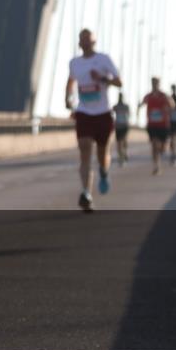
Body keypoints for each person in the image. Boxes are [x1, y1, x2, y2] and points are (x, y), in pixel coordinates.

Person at [65, 28, 122, 213]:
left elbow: (119, 82)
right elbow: (71, 81)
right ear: (79, 43)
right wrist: (68, 98)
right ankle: (86, 193)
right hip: (83, 113)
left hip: (103, 113)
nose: (85, 42)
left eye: (88, 39)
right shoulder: (74, 62)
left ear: (93, 42)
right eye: (82, 39)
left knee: (102, 153)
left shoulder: (104, 59)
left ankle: (104, 172)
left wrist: (103, 78)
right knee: (84, 150)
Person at [139, 77, 174, 175]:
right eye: (153, 83)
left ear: (159, 84)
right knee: (154, 145)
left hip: (163, 125)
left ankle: (164, 147)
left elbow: (173, 105)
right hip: (152, 124)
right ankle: (156, 166)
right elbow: (142, 103)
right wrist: (139, 106)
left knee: (163, 149)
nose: (154, 85)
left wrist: (168, 105)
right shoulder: (148, 96)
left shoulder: (164, 95)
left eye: (156, 83)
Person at [113, 92, 131, 166]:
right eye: (119, 97)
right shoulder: (115, 106)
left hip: (124, 125)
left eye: (121, 97)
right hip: (118, 126)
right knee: (119, 142)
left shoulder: (126, 106)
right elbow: (112, 113)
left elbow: (129, 114)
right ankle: (121, 157)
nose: (120, 98)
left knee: (124, 140)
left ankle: (125, 153)